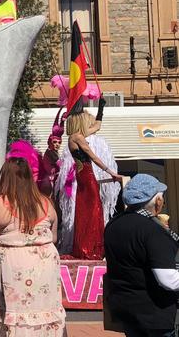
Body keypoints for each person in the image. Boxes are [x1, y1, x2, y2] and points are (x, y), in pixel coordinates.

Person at [0, 158, 66, 336]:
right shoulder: (47, 204)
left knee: (15, 313)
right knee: (45, 309)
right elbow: (54, 237)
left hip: (13, 266)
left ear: (4, 178)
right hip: (45, 264)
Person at [104, 173, 179, 337]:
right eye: (162, 197)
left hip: (126, 310)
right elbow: (168, 280)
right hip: (154, 314)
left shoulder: (113, 224)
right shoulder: (152, 230)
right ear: (157, 201)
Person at [59, 105, 121, 259]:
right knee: (93, 210)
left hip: (84, 177)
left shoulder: (75, 136)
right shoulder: (77, 137)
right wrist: (112, 173)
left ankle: (88, 246)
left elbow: (97, 126)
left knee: (89, 210)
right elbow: (93, 157)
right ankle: (90, 248)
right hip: (87, 177)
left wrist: (101, 107)